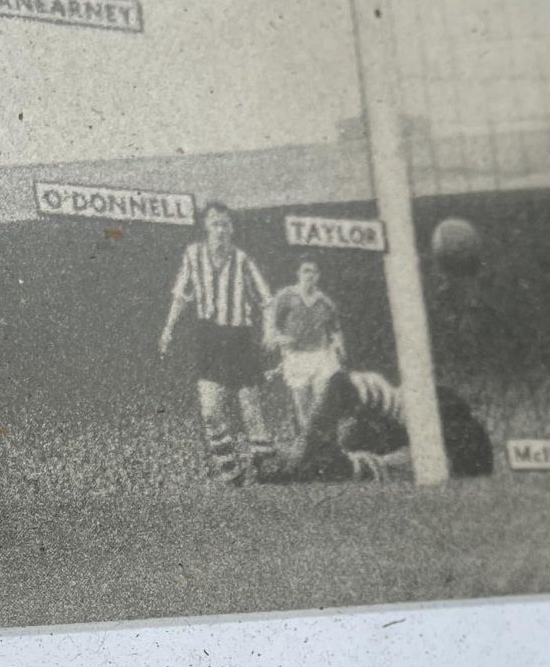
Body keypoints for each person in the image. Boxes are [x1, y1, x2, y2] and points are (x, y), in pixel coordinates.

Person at [159, 202, 274, 485]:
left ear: (232, 229)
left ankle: (265, 464)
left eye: (225, 224)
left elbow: (266, 300)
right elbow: (181, 295)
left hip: (240, 336)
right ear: (206, 228)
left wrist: (269, 331)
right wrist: (168, 329)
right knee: (210, 410)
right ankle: (229, 468)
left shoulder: (242, 260)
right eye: (214, 224)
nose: (220, 229)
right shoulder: (193, 255)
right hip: (209, 337)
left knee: (250, 406)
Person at [253, 367, 493, 484]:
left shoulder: (408, 418)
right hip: (447, 445)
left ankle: (290, 458)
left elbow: (341, 385)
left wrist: (303, 450)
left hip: (452, 447)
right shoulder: (393, 416)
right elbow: (342, 385)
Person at [269, 258, 344, 438]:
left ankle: (326, 444)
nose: (310, 276)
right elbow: (272, 324)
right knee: (304, 407)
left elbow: (335, 329)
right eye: (306, 271)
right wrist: (280, 339)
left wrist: (340, 348)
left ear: (318, 276)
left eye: (314, 272)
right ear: (298, 273)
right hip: (297, 357)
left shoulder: (325, 302)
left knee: (322, 404)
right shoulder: (286, 297)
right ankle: (308, 444)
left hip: (321, 356)